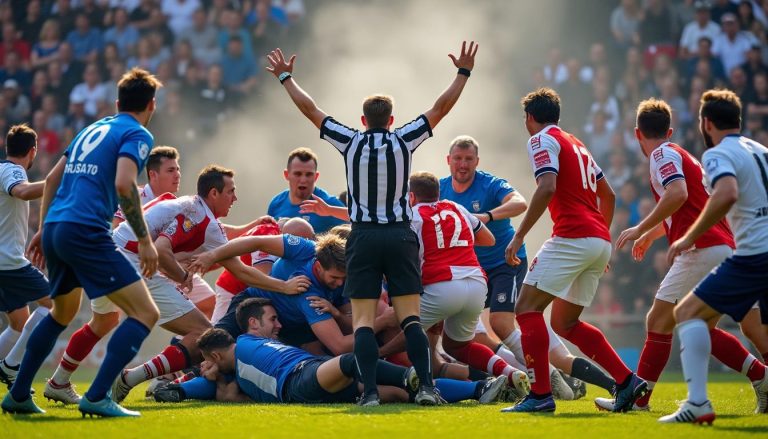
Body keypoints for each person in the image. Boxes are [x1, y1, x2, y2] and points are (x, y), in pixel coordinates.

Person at [266, 41, 478, 406]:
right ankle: (427, 388)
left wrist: (286, 77)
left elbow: (310, 109)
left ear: (363, 121)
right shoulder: (404, 139)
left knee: (363, 321)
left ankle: (371, 394)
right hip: (399, 236)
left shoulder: (350, 141)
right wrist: (463, 72)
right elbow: (440, 108)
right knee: (411, 318)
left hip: (362, 237)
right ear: (391, 120)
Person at [2, 68, 162, 418]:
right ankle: (98, 396)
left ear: (118, 102)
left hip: (58, 227)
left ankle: (17, 394)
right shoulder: (138, 133)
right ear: (151, 104)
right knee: (145, 313)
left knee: (62, 312)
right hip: (86, 231)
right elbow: (124, 184)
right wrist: (145, 240)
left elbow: (54, 178)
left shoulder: (92, 127)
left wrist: (44, 229)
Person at [595, 98, 768, 412]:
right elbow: (688, 207)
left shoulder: (661, 154)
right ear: (670, 130)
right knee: (704, 326)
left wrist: (638, 227)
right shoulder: (684, 155)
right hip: (721, 247)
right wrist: (652, 234)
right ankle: (762, 377)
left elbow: (678, 194)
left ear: (637, 134)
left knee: (658, 319)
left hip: (700, 249)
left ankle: (639, 400)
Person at [108, 165, 311, 404]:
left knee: (100, 322)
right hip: (130, 260)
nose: (235, 198)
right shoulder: (200, 216)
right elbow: (239, 271)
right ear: (213, 193)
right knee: (205, 336)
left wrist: (180, 271)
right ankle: (133, 378)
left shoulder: (194, 208)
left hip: (117, 253)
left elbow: (213, 242)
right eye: (230, 191)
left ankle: (64, 382)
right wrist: (284, 287)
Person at [503, 88, 645, 413]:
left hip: (572, 236)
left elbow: (547, 186)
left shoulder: (540, 140)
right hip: (597, 240)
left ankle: (539, 395)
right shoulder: (576, 142)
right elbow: (608, 195)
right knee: (565, 325)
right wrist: (602, 239)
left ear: (529, 118)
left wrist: (519, 235)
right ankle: (627, 382)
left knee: (526, 309)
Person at [159, 298, 509, 405]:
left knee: (398, 393)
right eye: (272, 319)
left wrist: (205, 375)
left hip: (311, 371)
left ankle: (478, 389)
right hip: (298, 382)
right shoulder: (239, 349)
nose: (278, 325)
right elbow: (218, 376)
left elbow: (222, 380)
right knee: (352, 362)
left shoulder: (240, 357)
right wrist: (188, 382)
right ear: (252, 324)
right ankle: (418, 378)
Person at [660, 90, 768, 424]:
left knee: (687, 312)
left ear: (706, 123)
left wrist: (689, 236)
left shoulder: (718, 154)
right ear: (739, 119)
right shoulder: (762, 150)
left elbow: (727, 192)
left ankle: (697, 403)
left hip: (752, 256)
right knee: (760, 335)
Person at [408, 171, 530, 400]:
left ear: (411, 196)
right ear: (438, 193)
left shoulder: (412, 215)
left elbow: (409, 257)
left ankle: (398, 374)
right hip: (475, 283)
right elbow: (489, 240)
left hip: (441, 286)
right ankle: (510, 372)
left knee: (402, 326)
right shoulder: (456, 207)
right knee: (457, 347)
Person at [0, 125, 51, 391]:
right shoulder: (12, 171)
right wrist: (58, 180)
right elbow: (22, 191)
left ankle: (7, 365)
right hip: (8, 263)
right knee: (57, 305)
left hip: (5, 261)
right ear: (33, 151)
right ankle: (11, 367)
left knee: (20, 321)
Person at [268, 147, 346, 234]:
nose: (303, 180)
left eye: (309, 174)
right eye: (298, 174)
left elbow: (351, 240)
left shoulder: (330, 205)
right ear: (287, 175)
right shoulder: (276, 204)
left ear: (316, 176)